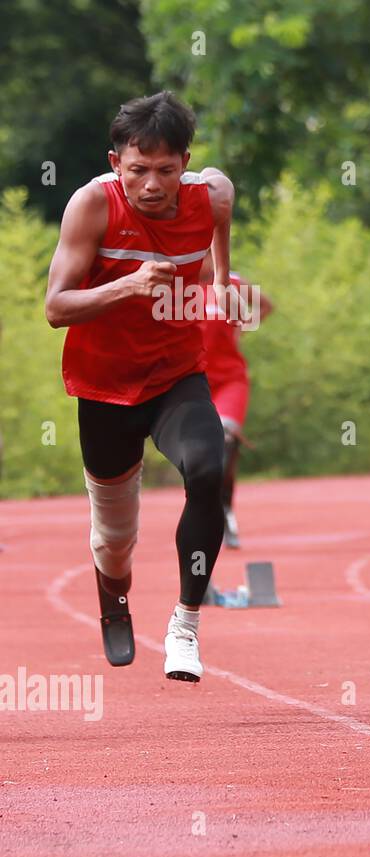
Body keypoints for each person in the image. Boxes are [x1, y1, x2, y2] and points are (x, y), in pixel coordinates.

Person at [45, 91, 236, 682]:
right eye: (137, 170)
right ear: (114, 162)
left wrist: (222, 281)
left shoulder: (213, 195)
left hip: (176, 376)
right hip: (103, 387)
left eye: (166, 170)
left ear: (186, 163)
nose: (152, 184)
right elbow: (56, 307)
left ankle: (185, 623)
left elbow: (221, 225)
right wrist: (125, 288)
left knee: (209, 469)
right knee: (114, 538)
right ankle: (114, 595)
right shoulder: (91, 207)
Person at [197, 253, 274, 548]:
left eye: (209, 254)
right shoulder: (177, 287)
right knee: (201, 453)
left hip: (230, 380)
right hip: (194, 382)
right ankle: (205, 513)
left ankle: (226, 509)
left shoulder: (232, 283)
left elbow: (265, 305)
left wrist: (243, 326)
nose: (205, 260)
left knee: (227, 441)